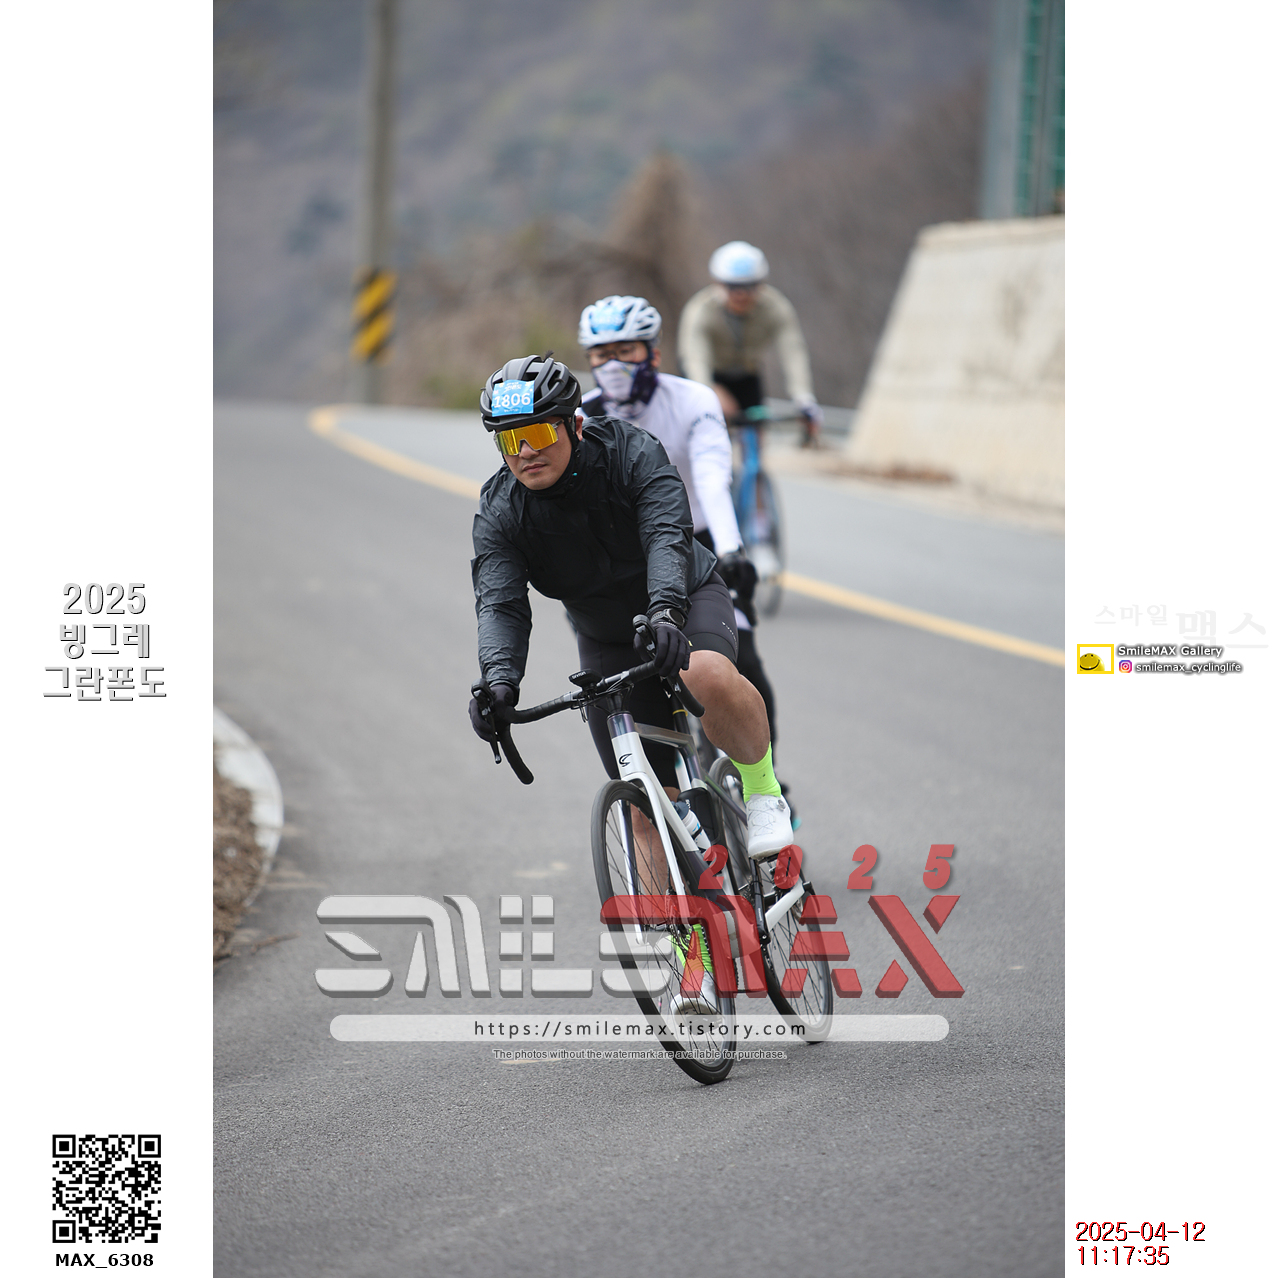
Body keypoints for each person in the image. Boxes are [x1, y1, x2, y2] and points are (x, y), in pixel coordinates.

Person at [467, 352, 794, 871]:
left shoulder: (629, 452)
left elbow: (666, 535)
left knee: (706, 674)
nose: (526, 451)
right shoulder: (502, 510)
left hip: (684, 599)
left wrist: (665, 611)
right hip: (606, 637)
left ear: (575, 425)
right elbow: (500, 603)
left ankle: (763, 794)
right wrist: (499, 681)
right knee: (642, 806)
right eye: (510, 440)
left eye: (540, 433)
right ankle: (682, 924)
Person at [575, 295, 790, 812]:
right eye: (601, 354)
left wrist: (733, 550)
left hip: (701, 544)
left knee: (743, 664)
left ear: (652, 352)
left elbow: (713, 477)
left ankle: (765, 778)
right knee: (634, 679)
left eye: (626, 350)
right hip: (629, 559)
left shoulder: (693, 399)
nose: (613, 364)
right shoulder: (581, 416)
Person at [677, 240, 823, 447]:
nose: (741, 295)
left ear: (761, 284)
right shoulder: (700, 310)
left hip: (746, 375)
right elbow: (694, 359)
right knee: (709, 438)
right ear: (717, 283)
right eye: (732, 287)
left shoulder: (776, 307)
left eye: (750, 286)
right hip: (708, 376)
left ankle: (753, 465)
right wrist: (709, 393)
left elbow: (793, 352)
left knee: (755, 438)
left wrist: (804, 398)